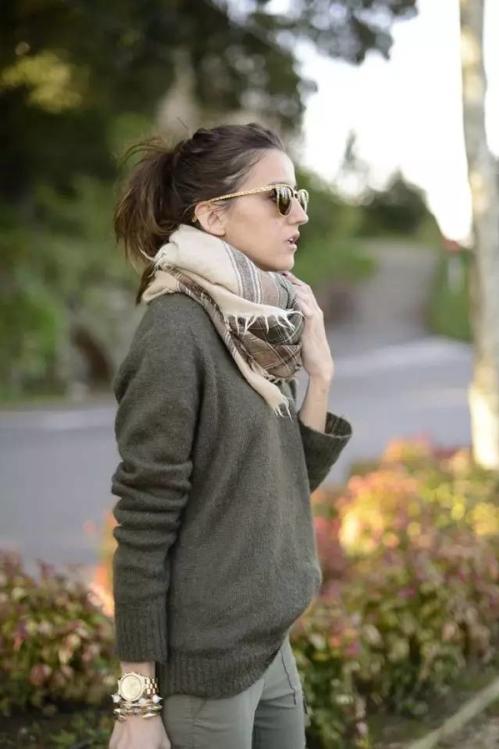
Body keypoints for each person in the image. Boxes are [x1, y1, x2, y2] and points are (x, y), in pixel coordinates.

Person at [108, 122, 353, 749]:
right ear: (213, 216)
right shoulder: (177, 333)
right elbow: (143, 522)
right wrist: (136, 705)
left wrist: (320, 378)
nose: (299, 215)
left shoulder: (258, 329)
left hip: (268, 647)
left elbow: (281, 487)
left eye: (300, 196)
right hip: (206, 669)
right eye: (279, 197)